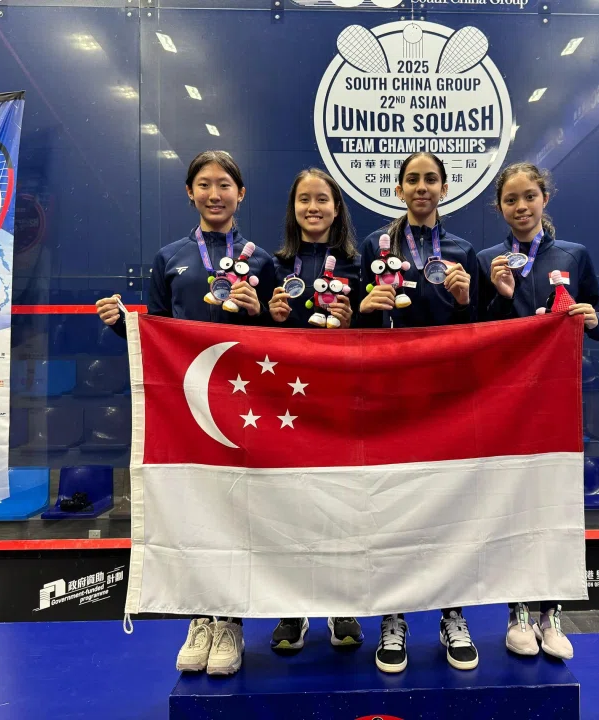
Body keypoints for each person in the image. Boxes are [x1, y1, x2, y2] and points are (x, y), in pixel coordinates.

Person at [94, 150, 274, 677]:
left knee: (239, 512)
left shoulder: (263, 261)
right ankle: (201, 616)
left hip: (245, 406)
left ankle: (232, 621)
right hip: (189, 407)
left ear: (241, 194)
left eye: (224, 185)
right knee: (197, 508)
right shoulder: (169, 257)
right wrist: (121, 325)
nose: (214, 194)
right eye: (204, 185)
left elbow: (282, 342)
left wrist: (261, 312)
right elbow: (159, 334)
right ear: (189, 193)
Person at [478, 162, 599, 661]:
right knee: (513, 501)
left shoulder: (573, 255)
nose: (521, 207)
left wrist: (594, 319)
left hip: (559, 397)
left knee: (554, 502)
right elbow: (478, 329)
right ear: (500, 208)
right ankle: (517, 613)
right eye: (510, 200)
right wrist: (500, 296)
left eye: (529, 196)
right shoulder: (490, 259)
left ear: (544, 198)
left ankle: (551, 613)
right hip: (508, 399)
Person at [356, 152, 480, 674]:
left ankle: (452, 615)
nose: (422, 187)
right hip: (389, 396)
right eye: (413, 179)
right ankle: (393, 616)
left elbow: (477, 331)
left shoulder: (463, 250)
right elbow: (360, 331)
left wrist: (464, 300)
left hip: (445, 398)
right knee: (392, 505)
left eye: (431, 179)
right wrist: (366, 309)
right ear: (399, 187)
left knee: (447, 505)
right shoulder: (373, 247)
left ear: (445, 187)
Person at [267, 168, 364, 652]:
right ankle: (293, 611)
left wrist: (353, 321)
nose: (313, 208)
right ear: (294, 208)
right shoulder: (271, 263)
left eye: (322, 199)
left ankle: (342, 604)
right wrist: (274, 317)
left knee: (341, 503)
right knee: (291, 505)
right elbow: (259, 337)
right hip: (288, 402)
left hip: (342, 398)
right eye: (304, 199)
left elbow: (378, 332)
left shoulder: (358, 263)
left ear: (336, 207)